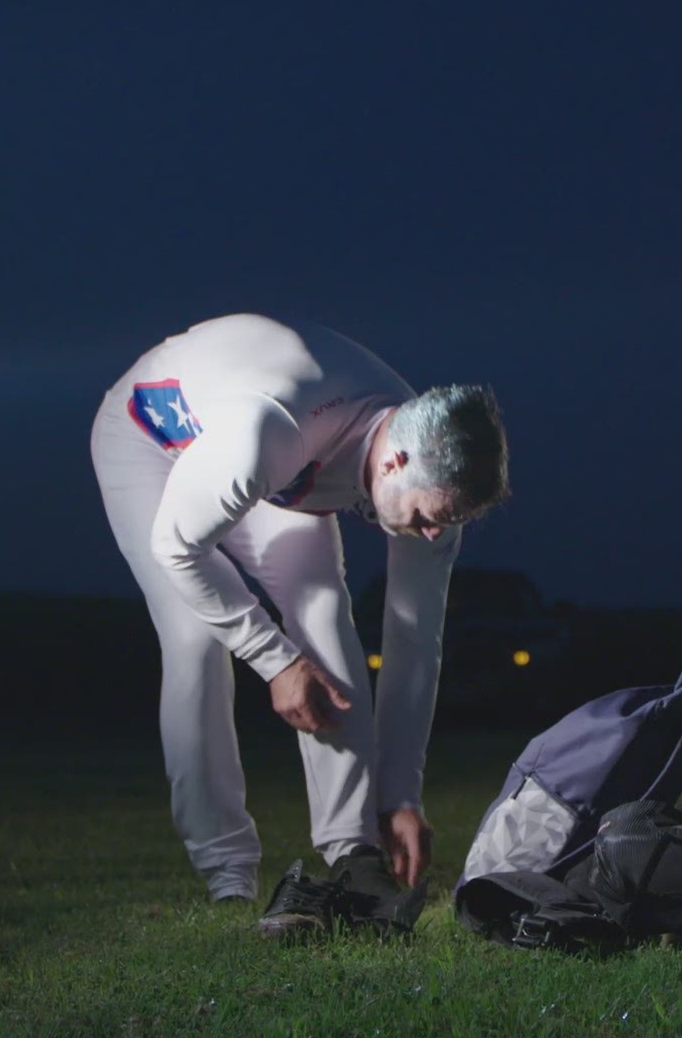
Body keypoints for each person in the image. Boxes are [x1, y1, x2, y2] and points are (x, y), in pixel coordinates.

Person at [89, 313, 509, 928]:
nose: (434, 534)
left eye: (449, 522)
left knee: (322, 608)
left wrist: (400, 795)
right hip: (152, 439)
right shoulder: (267, 433)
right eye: (426, 517)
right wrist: (275, 660)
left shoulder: (429, 473)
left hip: (286, 465)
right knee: (196, 639)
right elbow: (177, 549)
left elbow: (415, 639)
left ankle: (354, 853)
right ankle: (227, 873)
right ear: (392, 463)